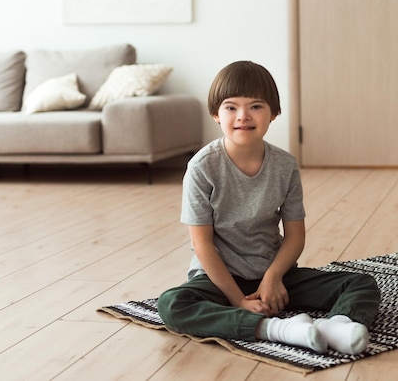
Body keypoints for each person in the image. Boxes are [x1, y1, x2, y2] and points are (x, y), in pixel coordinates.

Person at [157, 61, 381, 355]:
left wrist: (273, 278)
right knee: (172, 305)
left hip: (274, 274)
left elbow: (295, 236)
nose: (243, 117)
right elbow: (202, 245)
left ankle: (335, 326)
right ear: (216, 114)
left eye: (256, 107)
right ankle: (277, 329)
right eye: (231, 107)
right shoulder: (202, 167)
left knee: (361, 282)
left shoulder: (285, 165)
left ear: (273, 113)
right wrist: (238, 300)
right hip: (219, 280)